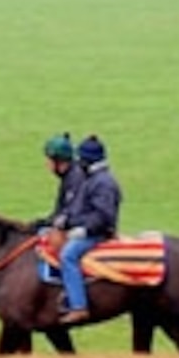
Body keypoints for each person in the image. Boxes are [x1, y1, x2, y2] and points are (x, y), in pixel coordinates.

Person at [41, 130, 123, 319]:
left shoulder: (103, 183)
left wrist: (82, 229)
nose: (77, 163)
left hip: (98, 233)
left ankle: (79, 306)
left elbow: (104, 216)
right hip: (88, 230)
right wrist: (64, 220)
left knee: (68, 255)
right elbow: (77, 208)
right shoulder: (92, 179)